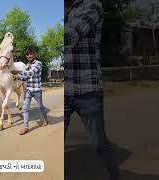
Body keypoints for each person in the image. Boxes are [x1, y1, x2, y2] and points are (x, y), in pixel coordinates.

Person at [64, 0, 120, 180]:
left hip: (87, 89)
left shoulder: (91, 5)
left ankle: (114, 176)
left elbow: (71, 36)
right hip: (64, 91)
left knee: (99, 144)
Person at [12, 47, 48, 135]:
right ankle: (25, 127)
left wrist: (18, 72)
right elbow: (25, 77)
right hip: (28, 90)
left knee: (40, 107)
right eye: (27, 55)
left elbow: (31, 73)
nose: (29, 56)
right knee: (25, 108)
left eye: (31, 54)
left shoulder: (38, 63)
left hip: (37, 90)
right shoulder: (27, 65)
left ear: (35, 55)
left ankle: (45, 119)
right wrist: (17, 77)